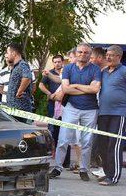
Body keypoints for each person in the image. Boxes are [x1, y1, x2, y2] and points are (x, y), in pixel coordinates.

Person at [49, 43, 102, 181]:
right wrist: (86, 88)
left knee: (86, 141)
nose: (83, 54)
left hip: (90, 109)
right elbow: (66, 89)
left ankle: (83, 169)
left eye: (86, 52)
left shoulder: (95, 69)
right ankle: (58, 167)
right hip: (71, 108)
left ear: (90, 55)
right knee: (63, 139)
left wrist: (76, 85)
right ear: (76, 53)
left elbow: (95, 89)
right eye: (80, 52)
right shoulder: (68, 68)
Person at [96, 45, 126, 186]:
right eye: (107, 55)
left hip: (119, 114)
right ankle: (108, 173)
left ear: (119, 57)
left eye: (111, 55)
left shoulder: (124, 71)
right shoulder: (103, 72)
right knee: (102, 145)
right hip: (103, 113)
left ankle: (113, 177)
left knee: (114, 146)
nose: (108, 57)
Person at [39, 55, 64, 148]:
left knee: (63, 127)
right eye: (55, 62)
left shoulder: (66, 73)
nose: (57, 64)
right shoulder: (49, 73)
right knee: (52, 127)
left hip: (64, 104)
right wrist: (49, 94)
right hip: (52, 103)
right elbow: (41, 85)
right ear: (53, 63)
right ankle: (52, 148)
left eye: (59, 62)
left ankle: (60, 148)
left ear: (62, 62)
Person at [5, 43, 33, 112]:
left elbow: (27, 77)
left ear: (13, 53)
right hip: (14, 109)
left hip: (20, 109)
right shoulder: (16, 66)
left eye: (7, 53)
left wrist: (19, 91)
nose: (6, 55)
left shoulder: (22, 64)